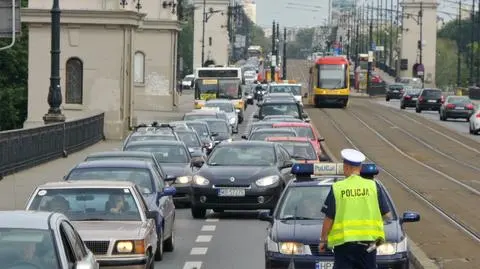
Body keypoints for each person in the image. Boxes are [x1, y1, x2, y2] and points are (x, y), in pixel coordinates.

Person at [319, 149, 392, 269]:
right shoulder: (373, 186)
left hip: (344, 246)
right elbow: (387, 215)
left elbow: (329, 218)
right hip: (370, 245)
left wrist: (323, 240)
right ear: (360, 167)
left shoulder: (338, 188)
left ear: (346, 167)